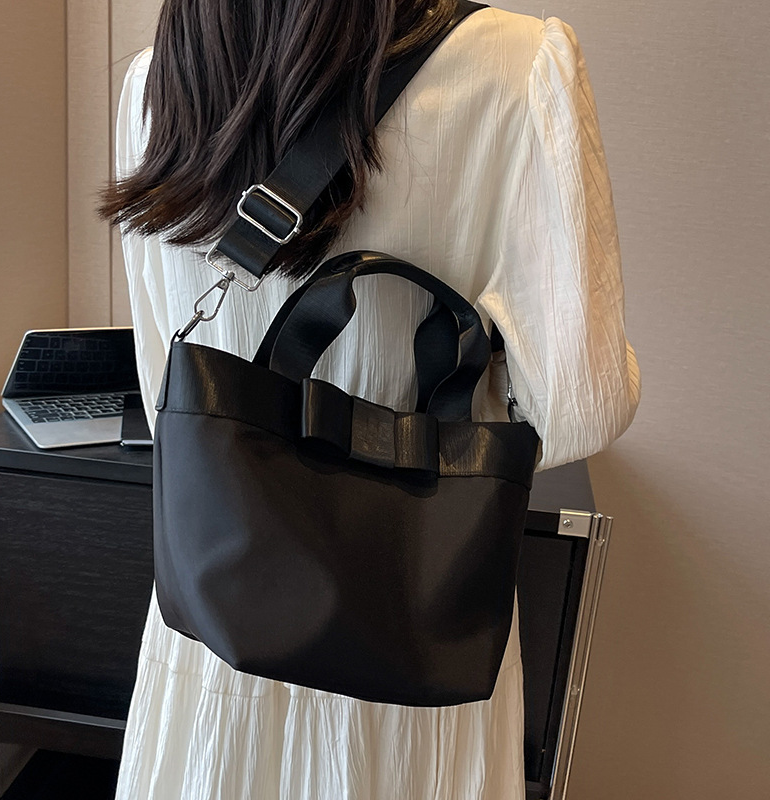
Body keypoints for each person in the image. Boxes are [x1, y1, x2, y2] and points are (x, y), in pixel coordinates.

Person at [101, 1, 641, 798]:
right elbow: (580, 409)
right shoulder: (518, 64)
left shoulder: (160, 80)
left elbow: (167, 389)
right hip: (408, 643)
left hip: (215, 641)